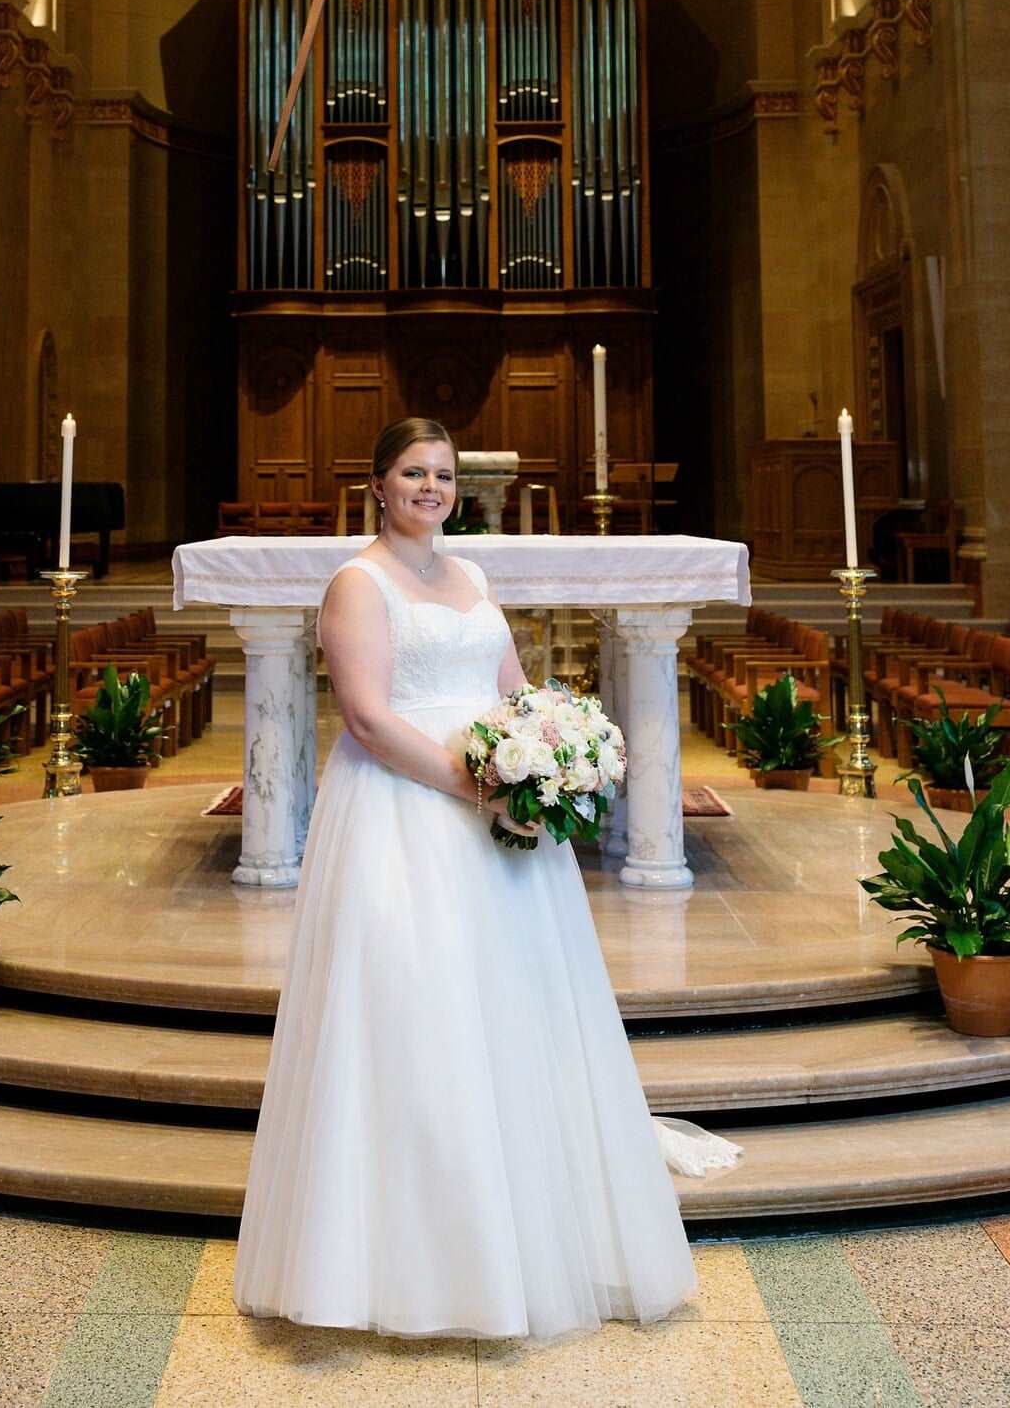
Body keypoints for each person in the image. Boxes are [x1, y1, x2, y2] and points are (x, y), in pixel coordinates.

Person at [233, 414, 737, 1339]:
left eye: (444, 476)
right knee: (413, 1007)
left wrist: (553, 753)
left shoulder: (471, 575)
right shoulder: (357, 583)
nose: (432, 489)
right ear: (377, 486)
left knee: (511, 1004)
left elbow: (514, 689)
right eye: (414, 474)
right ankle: (414, 1256)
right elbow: (368, 721)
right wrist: (480, 791)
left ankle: (523, 1221)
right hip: (404, 812)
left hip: (495, 814)